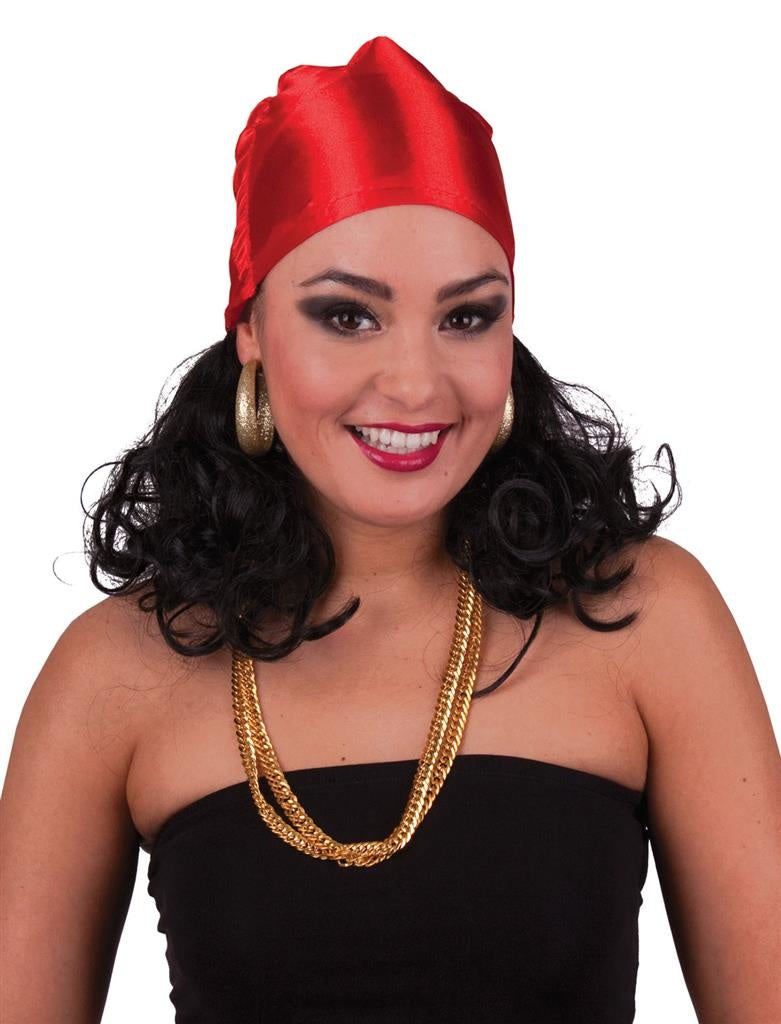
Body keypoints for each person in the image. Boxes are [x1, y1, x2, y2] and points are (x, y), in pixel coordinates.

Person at [2, 34, 779, 1024]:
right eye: (347, 316)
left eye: (466, 318)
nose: (415, 385)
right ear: (251, 327)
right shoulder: (116, 671)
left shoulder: (642, 617)